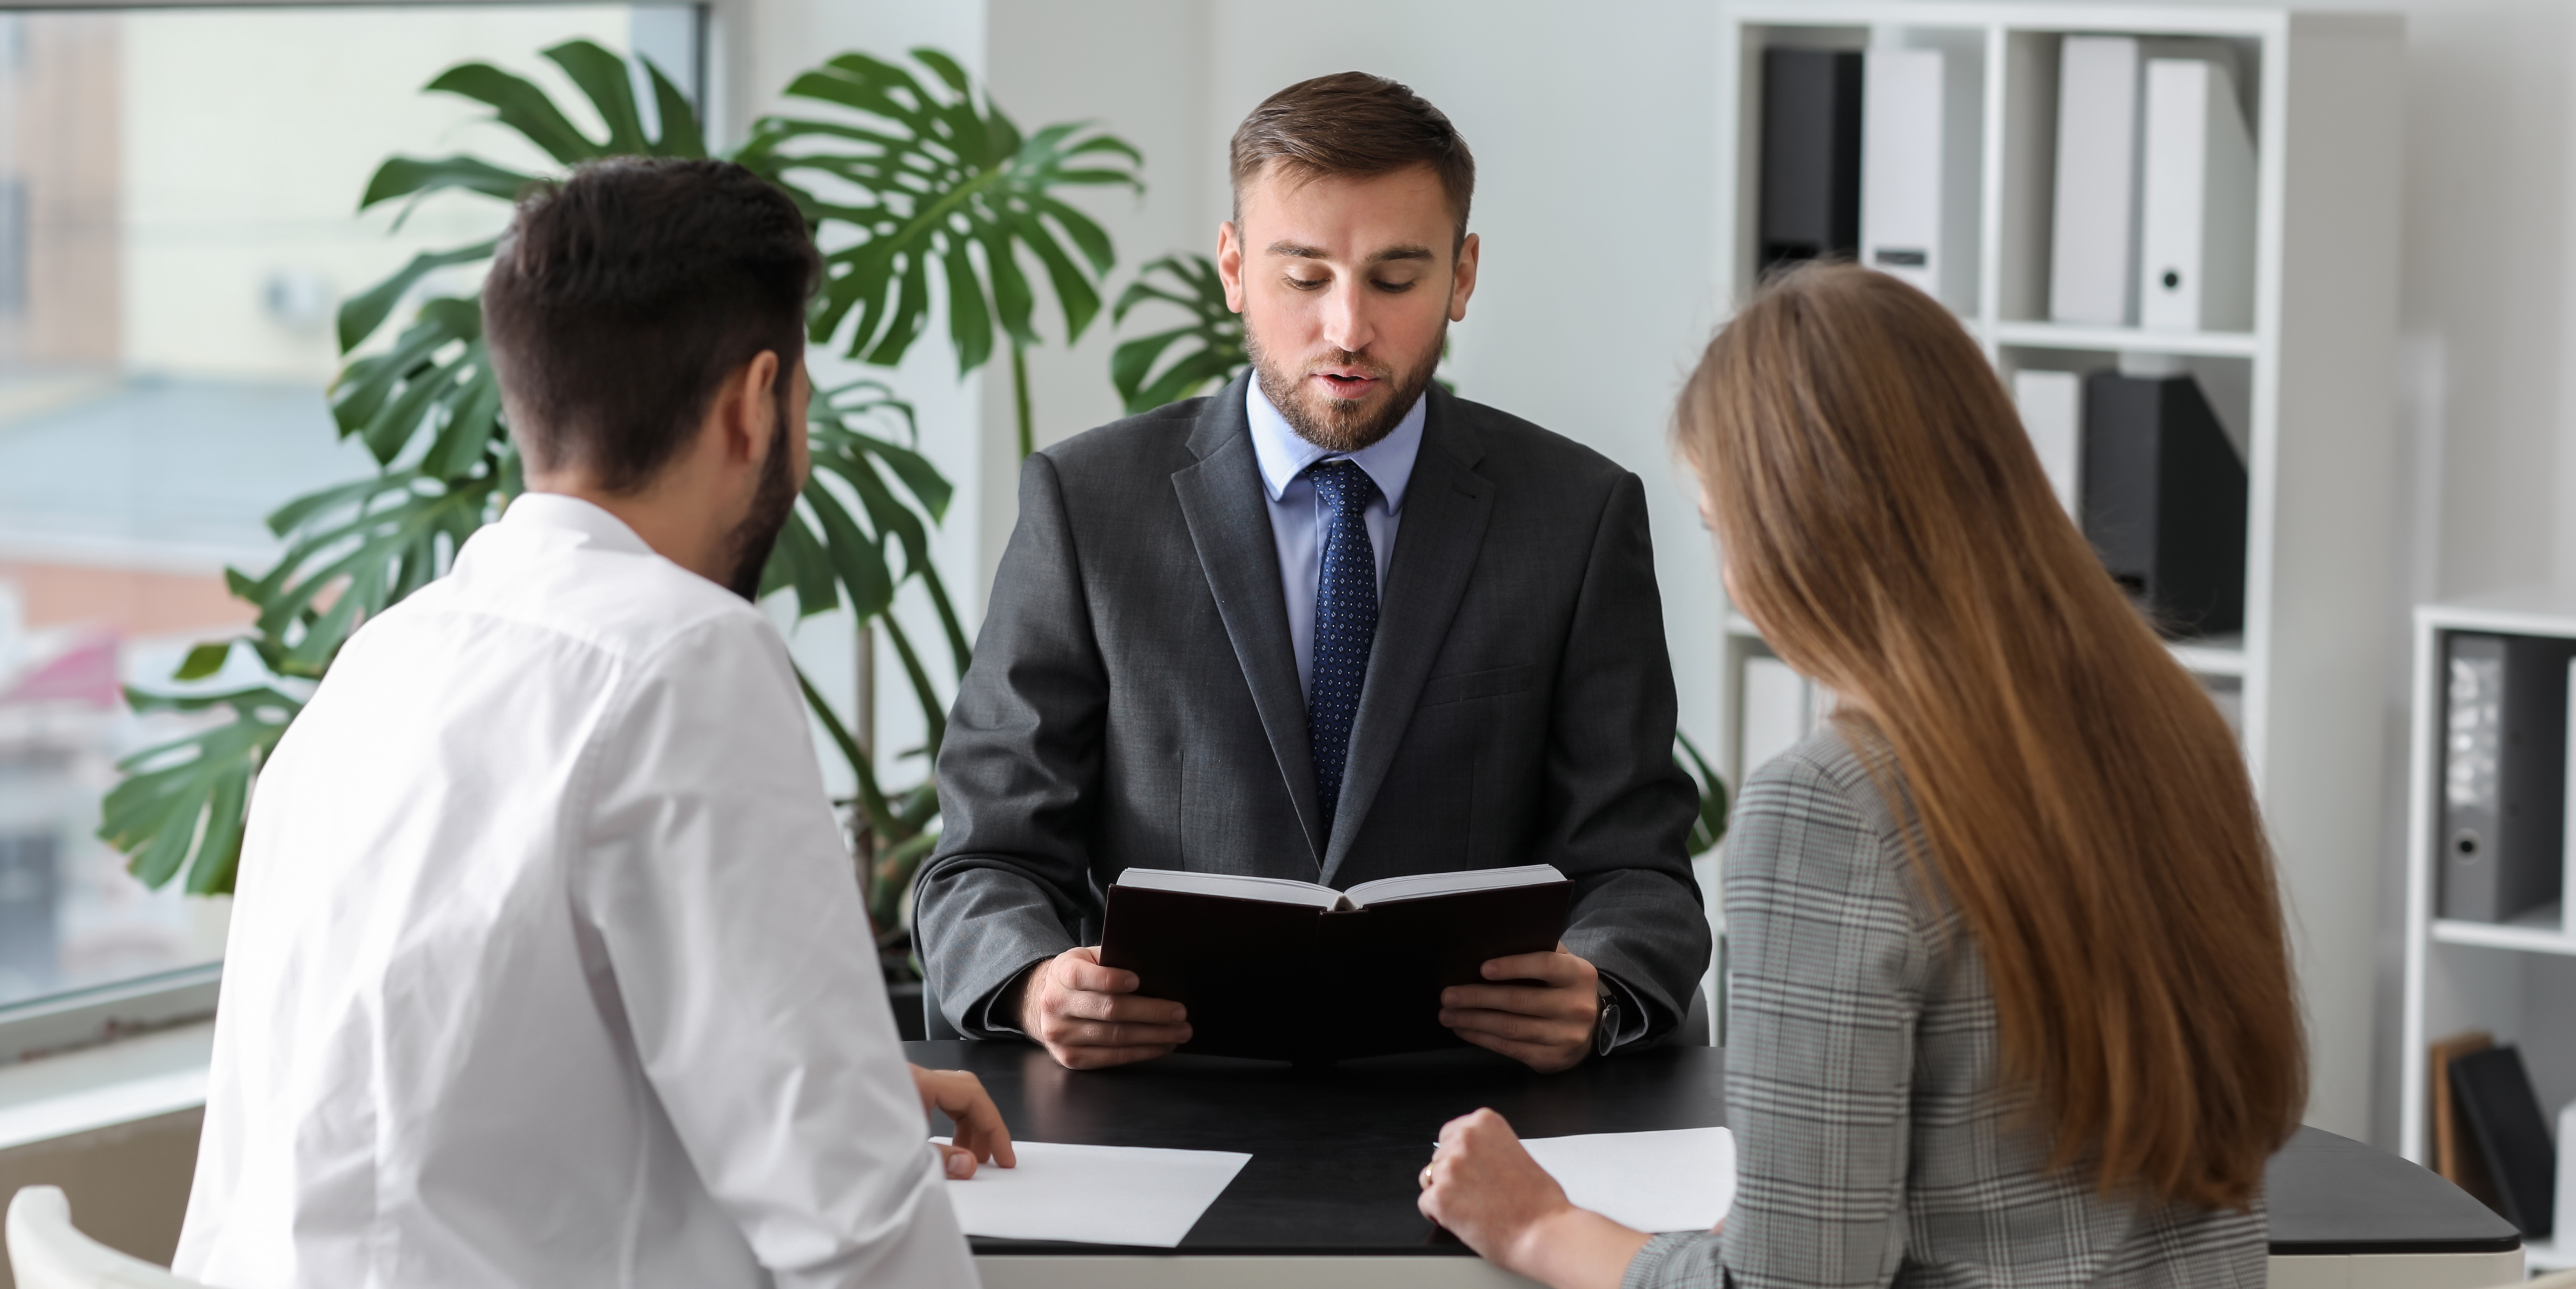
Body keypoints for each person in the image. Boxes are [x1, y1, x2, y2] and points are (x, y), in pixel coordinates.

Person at [175, 158, 1011, 1289]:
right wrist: (845, 1126)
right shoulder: (687, 656)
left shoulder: (382, 661)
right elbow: (858, 1233)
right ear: (754, 405)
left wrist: (843, 1077)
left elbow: (417, 1082)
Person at [1416, 262, 2307, 1288]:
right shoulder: (2176, 728)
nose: (1734, 577)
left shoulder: (1832, 807)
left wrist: (1538, 1227)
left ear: (1799, 531)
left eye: (1722, 531)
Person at [914, 71, 1708, 1073]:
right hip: (1159, 1107)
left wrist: (1601, 983)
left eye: (1394, 278)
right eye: (1304, 279)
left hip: (1473, 1112)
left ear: (1462, 278)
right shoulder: (1087, 505)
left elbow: (1638, 868)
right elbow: (985, 857)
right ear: (1235, 268)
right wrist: (1033, 982)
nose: (1347, 330)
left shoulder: (1575, 515)